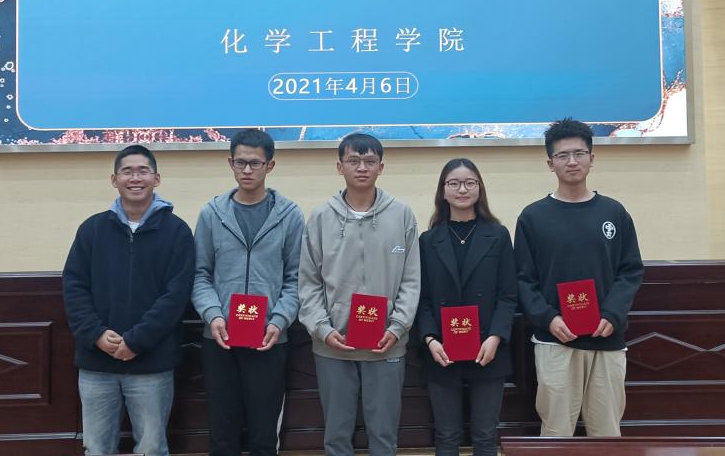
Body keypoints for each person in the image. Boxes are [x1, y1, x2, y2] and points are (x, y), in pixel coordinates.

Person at [514, 118, 644, 437]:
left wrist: (612, 314)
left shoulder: (614, 213)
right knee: (556, 431)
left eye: (579, 153)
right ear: (550, 163)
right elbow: (523, 279)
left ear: (591, 158)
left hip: (606, 339)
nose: (572, 161)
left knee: (607, 432)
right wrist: (548, 319)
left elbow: (630, 270)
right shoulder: (533, 217)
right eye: (562, 155)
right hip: (555, 340)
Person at [62, 144, 195, 456]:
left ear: (156, 179)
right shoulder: (92, 229)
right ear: (114, 180)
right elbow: (74, 286)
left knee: (151, 447)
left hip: (151, 362)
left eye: (143, 171)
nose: (135, 178)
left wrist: (137, 340)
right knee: (97, 448)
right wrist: (96, 334)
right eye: (127, 171)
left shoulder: (177, 231)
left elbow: (176, 296)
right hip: (97, 362)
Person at [298, 133, 421, 456]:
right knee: (336, 437)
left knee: (384, 436)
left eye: (369, 161)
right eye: (354, 161)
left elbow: (411, 280)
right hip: (333, 345)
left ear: (381, 167)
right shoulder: (321, 217)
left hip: (386, 344)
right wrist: (323, 329)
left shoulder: (402, 214)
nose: (362, 168)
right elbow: (308, 283)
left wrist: (397, 327)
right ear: (340, 167)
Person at [192, 129, 305, 456]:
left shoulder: (290, 216)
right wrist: (213, 315)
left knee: (264, 434)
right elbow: (200, 274)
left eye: (255, 163)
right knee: (222, 433)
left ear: (270, 166)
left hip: (269, 339)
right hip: (220, 338)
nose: (247, 170)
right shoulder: (212, 214)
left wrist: (279, 320)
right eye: (240, 162)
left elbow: (297, 278)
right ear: (230, 163)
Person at [417, 158, 518, 456]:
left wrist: (495, 337)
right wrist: (430, 339)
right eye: (454, 183)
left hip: (488, 348)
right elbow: (422, 298)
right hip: (442, 350)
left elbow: (508, 295)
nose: (462, 189)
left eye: (469, 183)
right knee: (446, 435)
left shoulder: (498, 235)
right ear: (443, 190)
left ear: (479, 188)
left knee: (486, 436)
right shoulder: (428, 240)